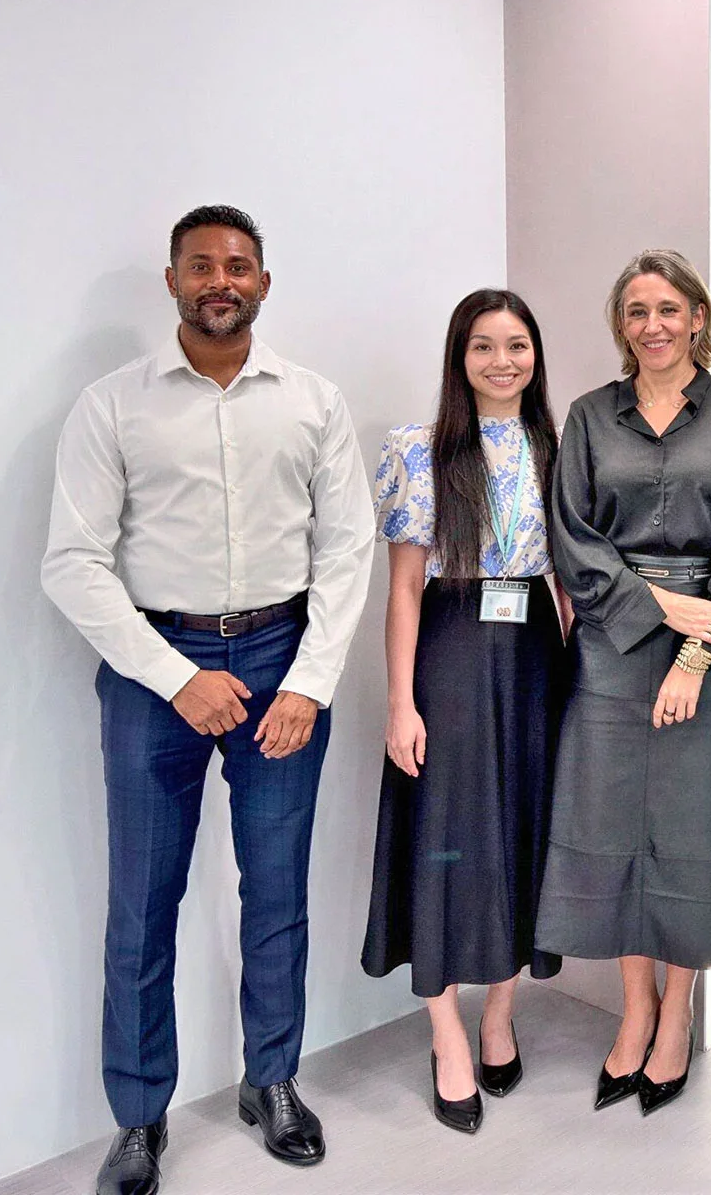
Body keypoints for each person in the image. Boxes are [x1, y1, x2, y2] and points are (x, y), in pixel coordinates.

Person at [41, 206, 373, 1195]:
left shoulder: (312, 401)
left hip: (282, 659)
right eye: (200, 266)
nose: (218, 279)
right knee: (142, 907)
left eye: (237, 265)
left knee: (275, 898)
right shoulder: (113, 406)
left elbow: (346, 547)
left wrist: (308, 684)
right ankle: (140, 1117)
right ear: (173, 283)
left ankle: (270, 1082)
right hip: (158, 669)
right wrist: (178, 677)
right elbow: (72, 562)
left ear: (264, 283)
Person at [536, 249, 711, 1116]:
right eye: (637, 311)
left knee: (688, 835)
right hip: (610, 648)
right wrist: (658, 613)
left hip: (708, 650)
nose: (654, 325)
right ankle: (632, 1012)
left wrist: (693, 652)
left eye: (669, 309)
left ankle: (677, 1014)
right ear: (621, 325)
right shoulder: (590, 416)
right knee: (614, 833)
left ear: (698, 318)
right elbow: (573, 537)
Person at [361, 288, 565, 1134]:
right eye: (483, 346)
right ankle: (445, 1029)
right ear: (460, 357)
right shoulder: (418, 450)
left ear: (535, 356)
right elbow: (404, 589)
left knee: (524, 831)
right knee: (445, 840)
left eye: (516, 345)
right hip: (448, 649)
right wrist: (400, 702)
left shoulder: (560, 447)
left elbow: (569, 580)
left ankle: (498, 1013)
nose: (501, 361)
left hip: (534, 661)